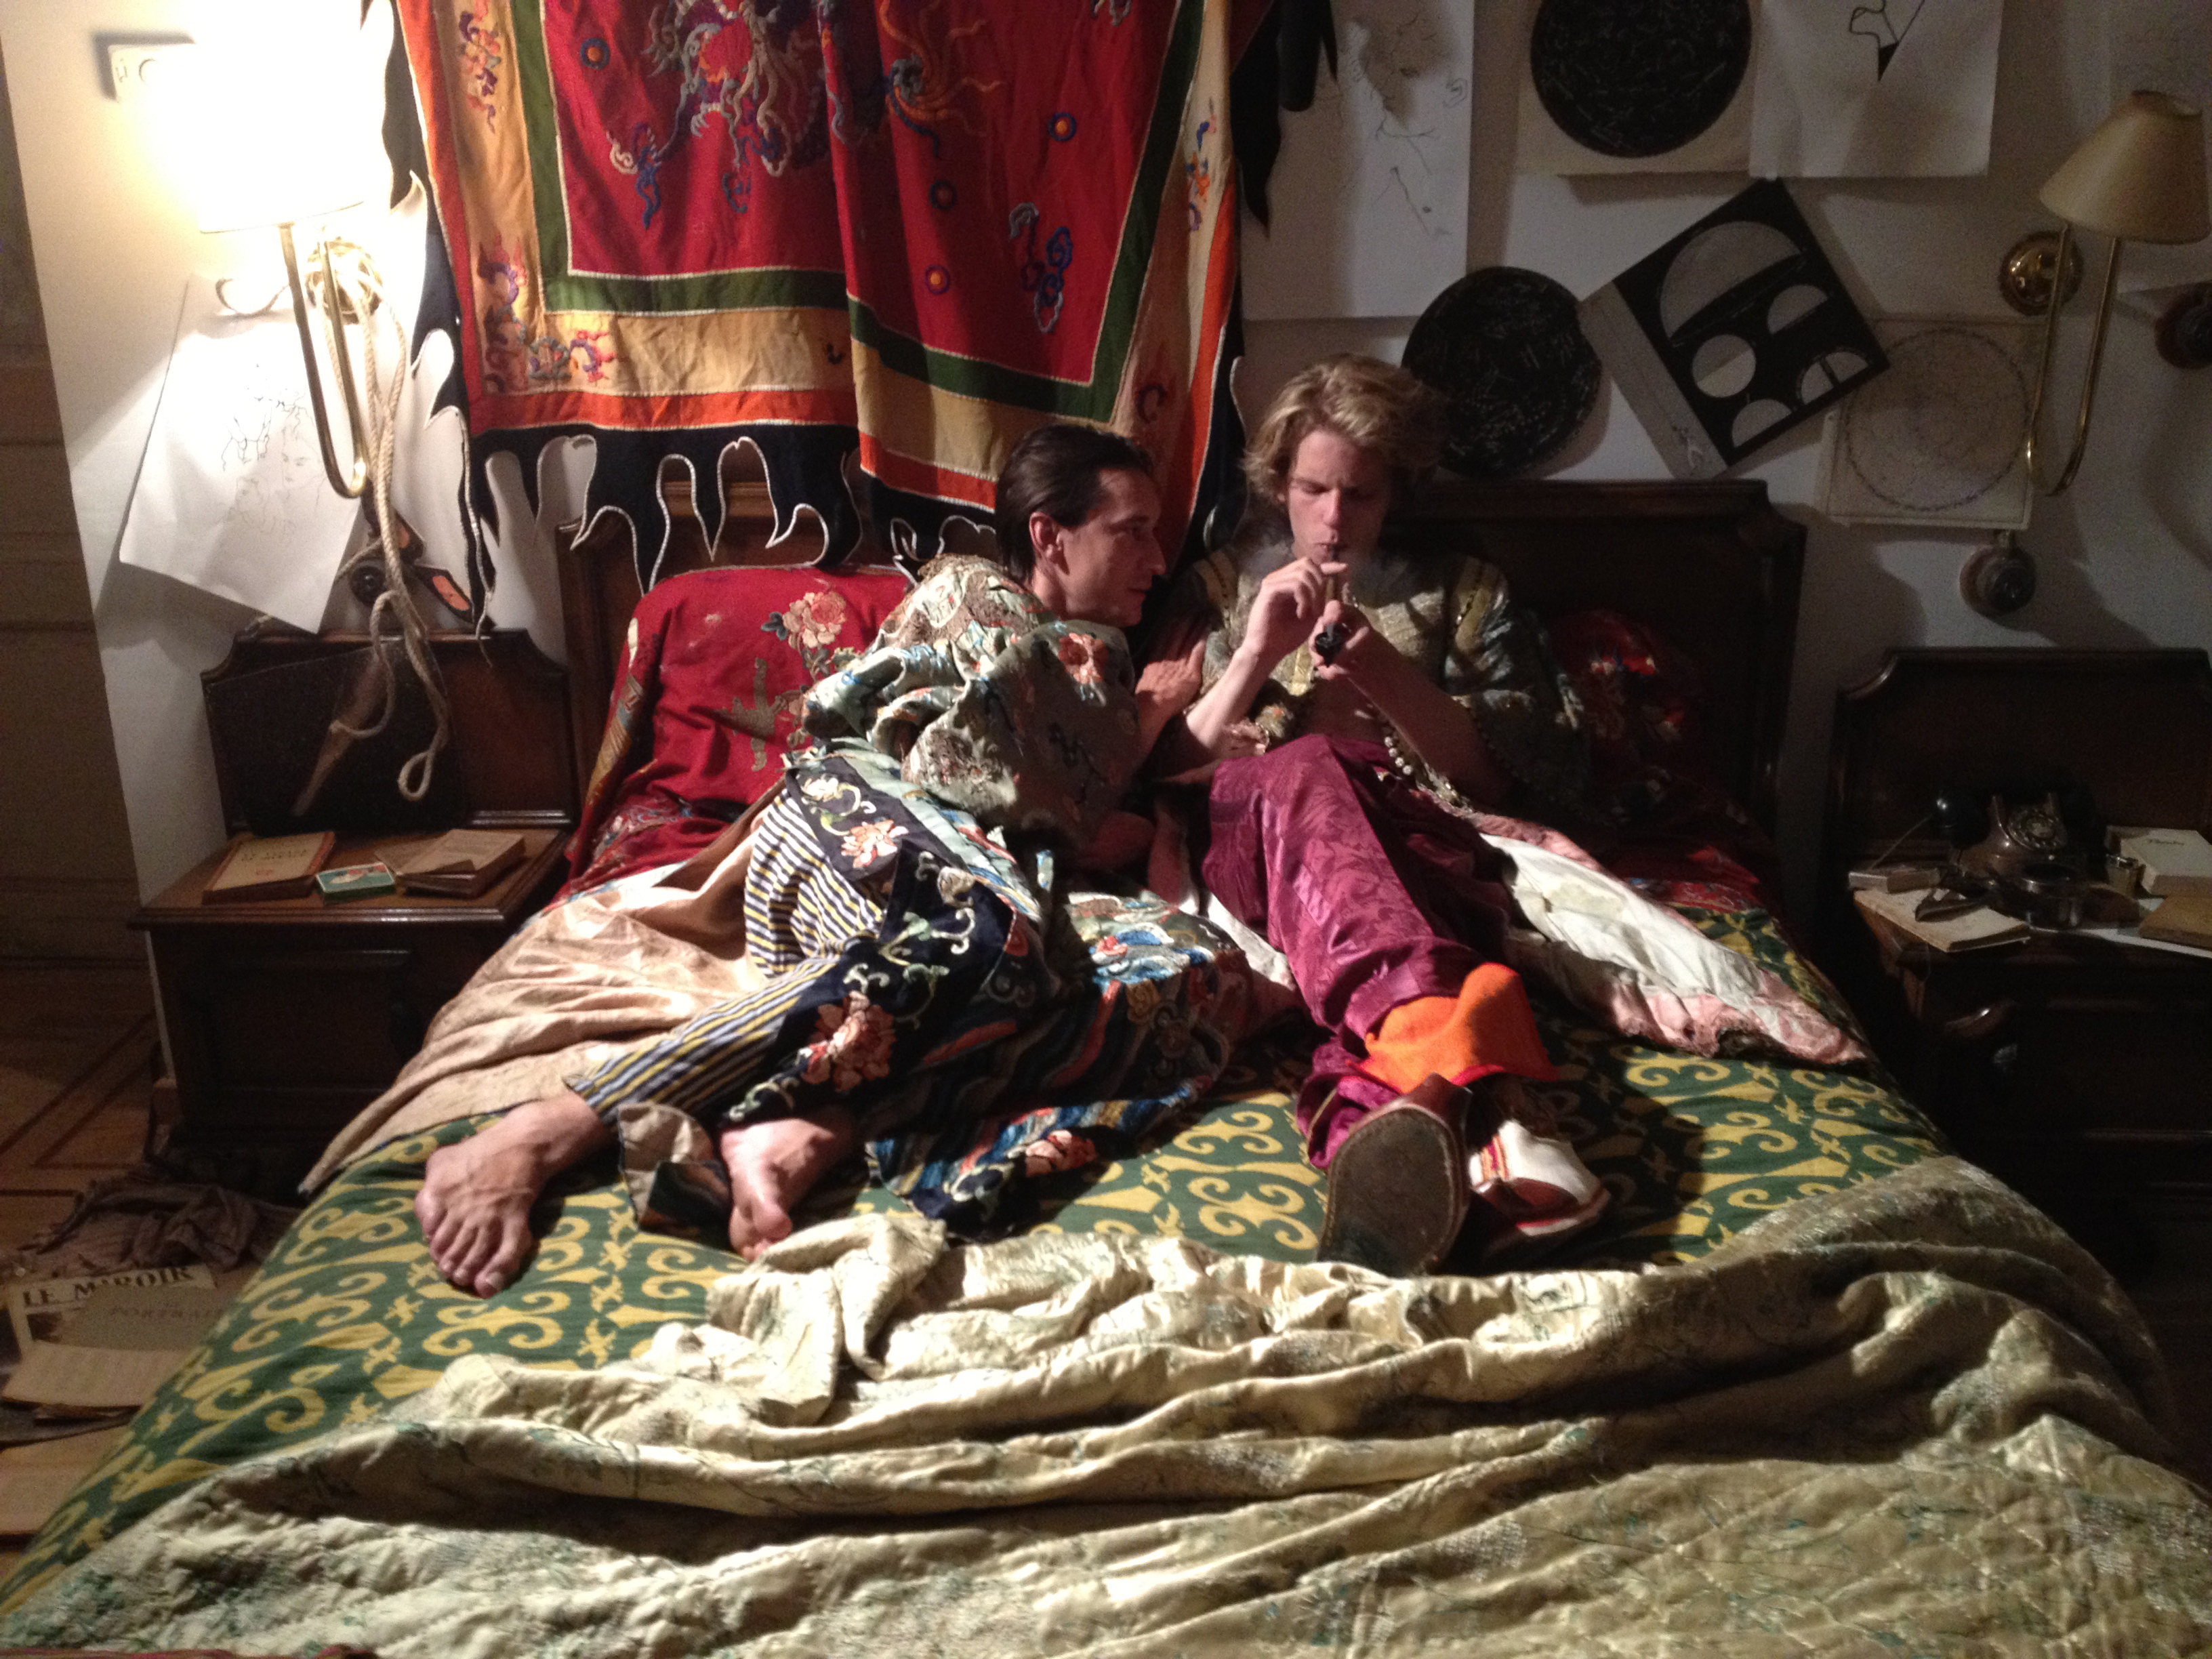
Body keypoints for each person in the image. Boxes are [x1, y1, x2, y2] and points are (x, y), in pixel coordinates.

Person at [417, 424, 1215, 1296]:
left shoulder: (1095, 669)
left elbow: (1069, 820)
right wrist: (1143, 720)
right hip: (854, 813)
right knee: (996, 943)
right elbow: (983, 777)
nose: (1157, 557)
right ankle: (558, 1123)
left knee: (1183, 983)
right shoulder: (979, 593)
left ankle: (820, 1122)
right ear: (1049, 536)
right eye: (1133, 530)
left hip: (962, 885)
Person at [1168, 354, 1601, 1276]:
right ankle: (1503, 1112)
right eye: (1312, 490)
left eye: (1359, 494)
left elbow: (1516, 778)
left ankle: (1399, 1136)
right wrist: (1254, 655)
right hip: (1261, 849)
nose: (1333, 518)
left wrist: (1389, 678)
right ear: (1280, 485)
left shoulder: (1463, 592)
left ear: (1396, 491)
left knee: (1404, 886)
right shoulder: (1224, 587)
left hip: (1413, 845)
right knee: (1312, 764)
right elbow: (1171, 768)